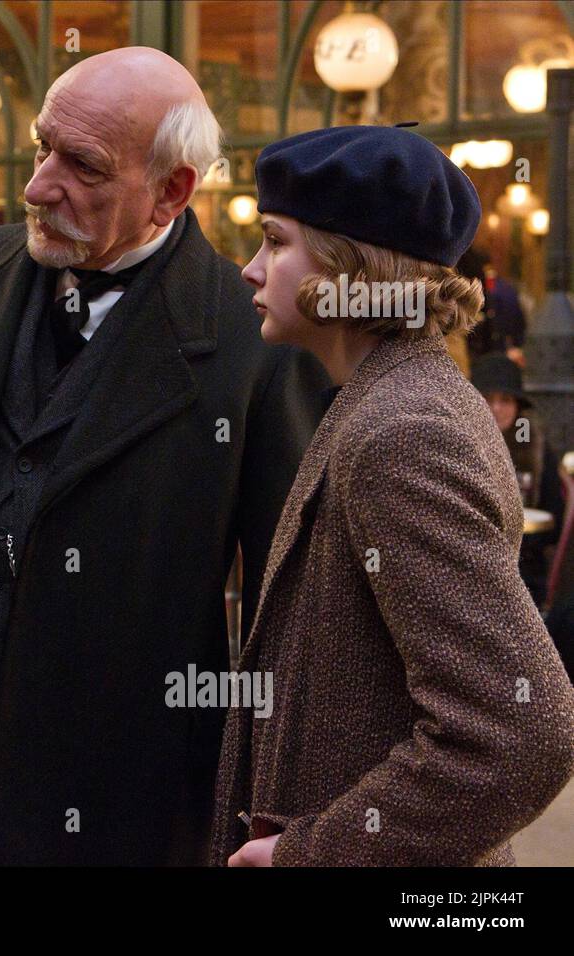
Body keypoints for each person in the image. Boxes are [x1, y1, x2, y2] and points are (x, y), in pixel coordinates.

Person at [0, 47, 330, 866]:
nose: (39, 186)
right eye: (42, 147)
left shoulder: (252, 340)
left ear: (172, 191)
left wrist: (275, 803)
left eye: (82, 166)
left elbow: (284, 596)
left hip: (104, 777)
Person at [215, 124, 574, 867]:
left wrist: (310, 853)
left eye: (276, 242)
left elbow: (524, 729)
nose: (249, 270)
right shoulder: (390, 398)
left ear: (350, 268)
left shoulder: (400, 430)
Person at [471, 352, 565, 609]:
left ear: (518, 405)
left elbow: (553, 516)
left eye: (505, 400)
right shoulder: (460, 445)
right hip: (470, 563)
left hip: (524, 567)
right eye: (488, 398)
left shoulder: (537, 447)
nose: (496, 408)